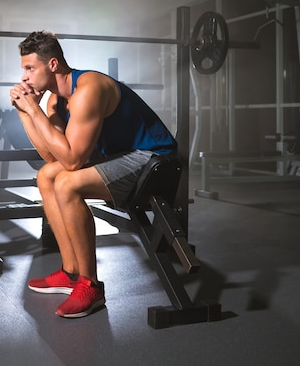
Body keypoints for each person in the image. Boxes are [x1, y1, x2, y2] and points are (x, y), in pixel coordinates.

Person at [9, 30, 177, 318]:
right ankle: (70, 272)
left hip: (153, 158)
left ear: (52, 65)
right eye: (23, 69)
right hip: (118, 157)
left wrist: (33, 112)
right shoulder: (54, 102)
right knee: (46, 176)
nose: (24, 77)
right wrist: (28, 112)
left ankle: (91, 286)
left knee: (66, 184)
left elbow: (72, 162)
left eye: (30, 68)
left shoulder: (88, 89)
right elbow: (52, 156)